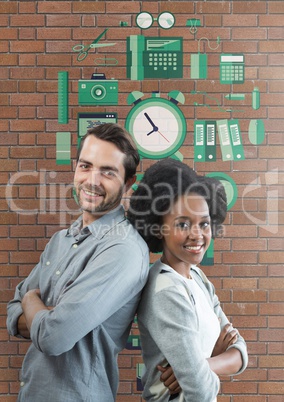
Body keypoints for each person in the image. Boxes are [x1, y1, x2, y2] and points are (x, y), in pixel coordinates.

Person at [6, 123, 151, 402]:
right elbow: (13, 313)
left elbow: (53, 337)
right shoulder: (61, 240)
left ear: (128, 182)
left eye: (108, 172)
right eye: (86, 166)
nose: (92, 180)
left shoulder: (124, 249)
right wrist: (43, 314)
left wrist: (31, 302)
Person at [127, 158, 248, 402]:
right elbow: (202, 391)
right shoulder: (165, 290)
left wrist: (203, 365)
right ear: (159, 228)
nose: (197, 234)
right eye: (183, 224)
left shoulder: (198, 278)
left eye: (204, 223)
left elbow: (241, 352)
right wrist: (201, 369)